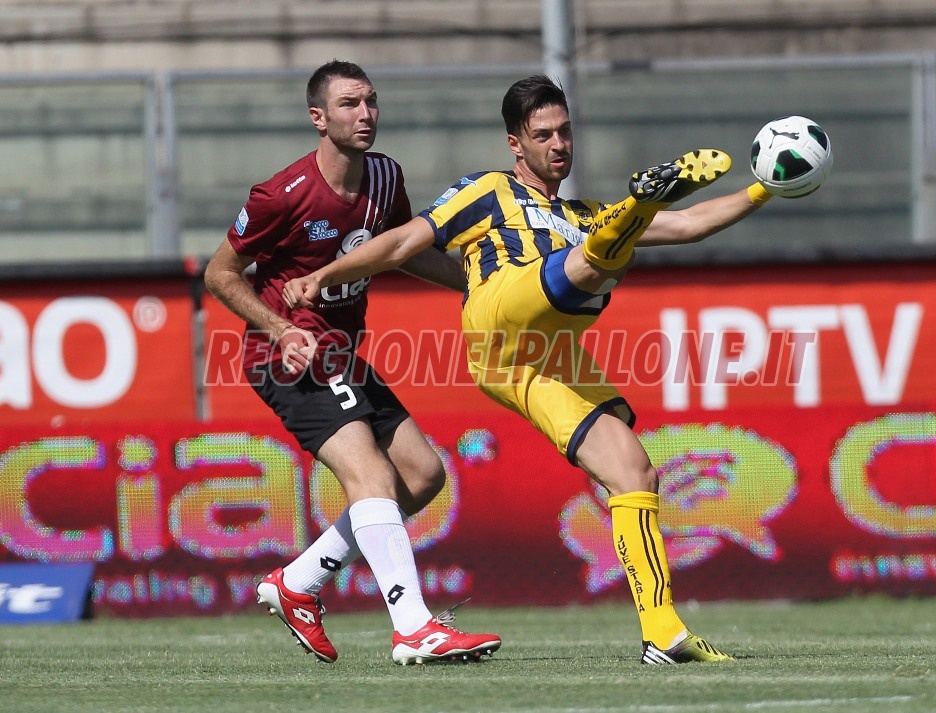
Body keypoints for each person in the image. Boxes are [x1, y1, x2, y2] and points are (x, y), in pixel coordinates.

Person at [282, 74, 779, 665]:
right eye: (543, 134)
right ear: (516, 144)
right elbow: (400, 244)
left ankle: (664, 633)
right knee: (586, 263)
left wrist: (765, 188)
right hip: (500, 320)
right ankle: (640, 204)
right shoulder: (487, 190)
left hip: (546, 356)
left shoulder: (581, 212)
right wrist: (323, 277)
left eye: (565, 131)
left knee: (633, 471)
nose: (559, 144)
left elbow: (692, 224)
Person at [203, 60, 500, 666]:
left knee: (421, 476)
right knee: (371, 477)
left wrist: (479, 282)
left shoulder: (386, 177)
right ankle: (414, 629)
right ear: (319, 118)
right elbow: (220, 274)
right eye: (348, 104)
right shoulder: (279, 195)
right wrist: (280, 328)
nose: (364, 114)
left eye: (370, 101)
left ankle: (299, 584)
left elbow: (399, 252)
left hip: (342, 354)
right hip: (288, 356)